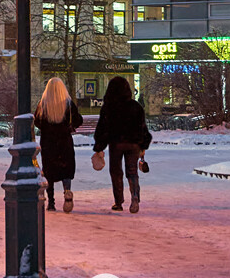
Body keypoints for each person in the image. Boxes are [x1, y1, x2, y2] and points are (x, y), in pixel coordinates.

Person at [93, 76, 152, 213]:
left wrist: (99, 147)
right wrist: (143, 145)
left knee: (116, 172)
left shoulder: (109, 107)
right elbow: (142, 127)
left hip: (116, 143)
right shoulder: (135, 106)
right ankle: (135, 197)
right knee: (132, 172)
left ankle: (118, 202)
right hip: (134, 144)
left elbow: (103, 128)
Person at [34, 77, 82, 212]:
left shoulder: (43, 104)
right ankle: (67, 191)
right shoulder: (68, 103)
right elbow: (78, 120)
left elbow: (37, 121)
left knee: (49, 171)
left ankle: (51, 202)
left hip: (48, 142)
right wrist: (69, 127)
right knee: (66, 169)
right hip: (64, 141)